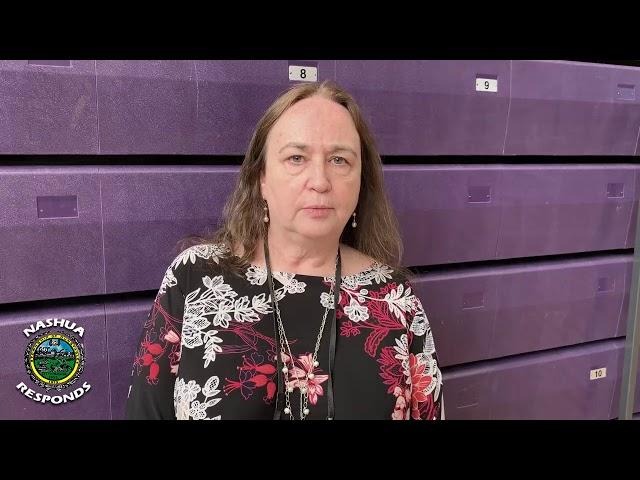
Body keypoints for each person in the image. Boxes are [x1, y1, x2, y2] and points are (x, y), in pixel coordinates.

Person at [125, 80, 444, 420]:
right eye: (296, 158)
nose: (319, 181)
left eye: (339, 160)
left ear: (361, 181)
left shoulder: (395, 300)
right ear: (261, 178)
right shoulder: (194, 277)